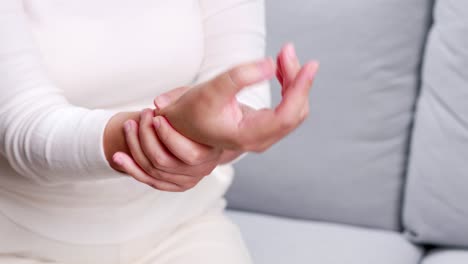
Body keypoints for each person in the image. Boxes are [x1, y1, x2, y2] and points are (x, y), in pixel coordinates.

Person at [0, 0, 318, 263]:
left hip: (182, 229)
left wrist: (237, 131)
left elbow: (238, 91)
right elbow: (24, 128)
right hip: (22, 240)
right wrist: (165, 134)